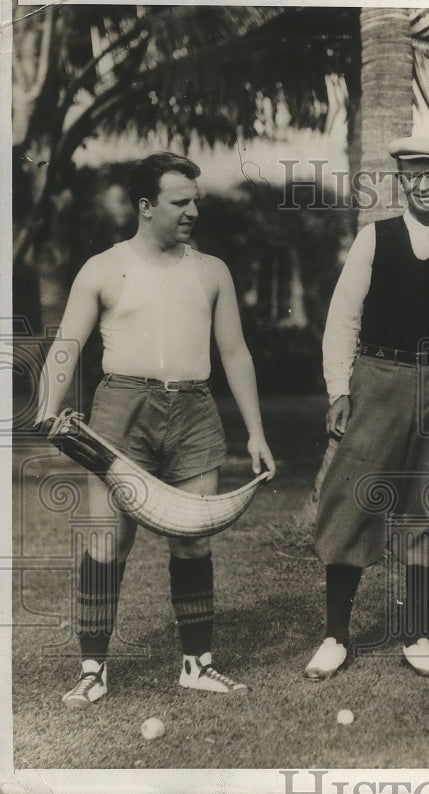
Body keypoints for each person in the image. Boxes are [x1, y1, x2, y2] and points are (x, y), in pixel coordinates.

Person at [34, 152, 276, 707]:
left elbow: (235, 353)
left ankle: (197, 664)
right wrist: (48, 408)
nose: (192, 211)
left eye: (196, 201)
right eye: (180, 202)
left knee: (192, 540)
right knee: (106, 542)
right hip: (122, 409)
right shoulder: (102, 267)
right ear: (146, 207)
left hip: (194, 410)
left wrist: (256, 432)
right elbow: (67, 347)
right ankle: (93, 670)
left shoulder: (213, 270)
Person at [306, 136, 429, 680]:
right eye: (415, 174)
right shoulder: (374, 238)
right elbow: (342, 318)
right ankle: (335, 636)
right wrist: (339, 390)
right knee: (351, 502)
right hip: (377, 380)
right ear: (403, 181)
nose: (425, 183)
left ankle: (417, 634)